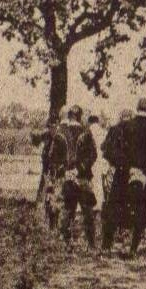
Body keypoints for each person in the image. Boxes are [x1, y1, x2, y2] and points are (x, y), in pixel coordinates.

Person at [101, 99, 146, 256]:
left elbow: (109, 150)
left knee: (115, 209)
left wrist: (124, 165)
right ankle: (133, 249)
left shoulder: (122, 127)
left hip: (124, 175)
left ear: (137, 108)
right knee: (141, 212)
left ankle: (106, 246)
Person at [46, 104, 98, 247]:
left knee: (68, 209)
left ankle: (66, 241)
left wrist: (65, 170)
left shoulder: (60, 134)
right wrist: (80, 168)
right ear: (80, 117)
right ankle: (91, 244)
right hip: (83, 178)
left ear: (69, 116)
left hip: (67, 177)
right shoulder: (86, 133)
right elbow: (93, 155)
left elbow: (52, 157)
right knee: (87, 210)